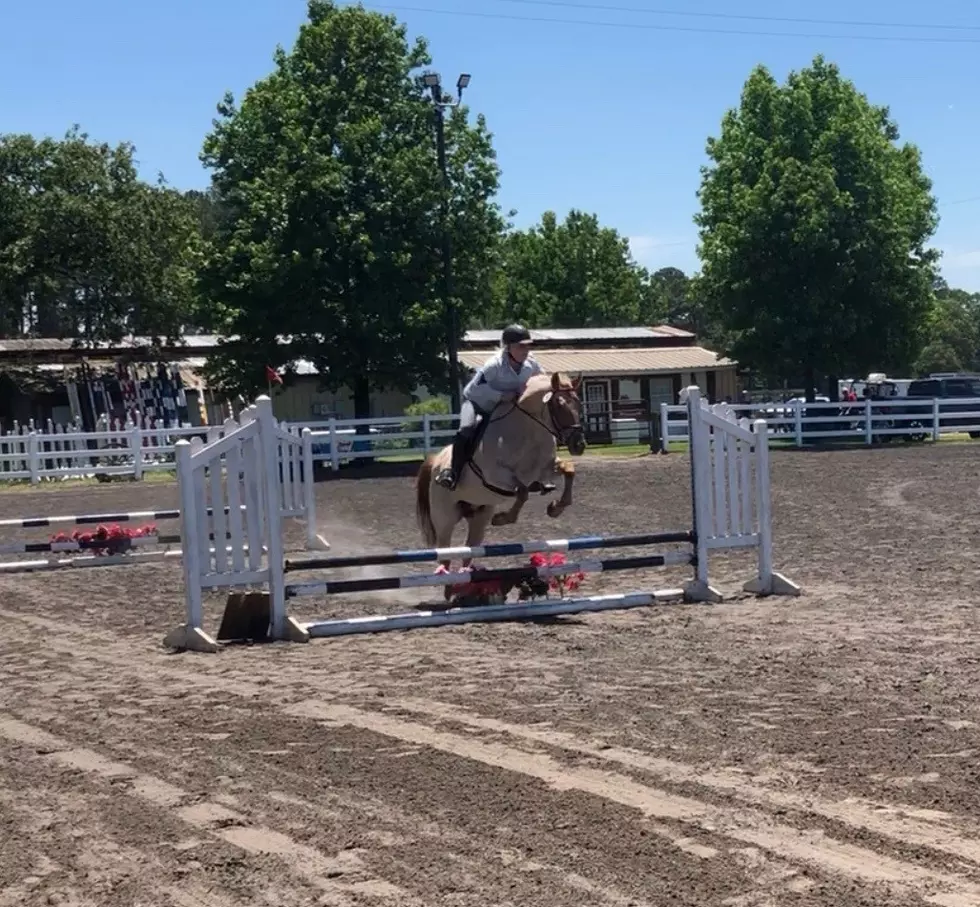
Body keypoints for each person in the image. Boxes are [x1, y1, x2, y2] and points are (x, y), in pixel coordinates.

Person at [434, 324, 554, 492]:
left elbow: (543, 380)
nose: (525, 350)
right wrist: (501, 395)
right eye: (521, 346)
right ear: (508, 347)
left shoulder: (531, 364)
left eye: (527, 346)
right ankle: (452, 472)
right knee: (466, 429)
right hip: (478, 403)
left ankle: (538, 471)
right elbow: (475, 389)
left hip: (505, 407)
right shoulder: (493, 365)